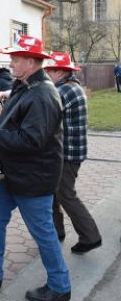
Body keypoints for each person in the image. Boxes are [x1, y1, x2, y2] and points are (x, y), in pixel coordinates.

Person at [0, 35, 71, 301]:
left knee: (43, 231)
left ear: (32, 62)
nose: (10, 63)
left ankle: (60, 287)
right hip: (14, 172)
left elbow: (32, 140)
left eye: (16, 58)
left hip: (33, 177)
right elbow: (16, 122)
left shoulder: (43, 94)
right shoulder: (25, 86)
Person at [44, 51, 102, 254]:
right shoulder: (69, 87)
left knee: (65, 194)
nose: (46, 74)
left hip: (68, 154)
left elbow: (44, 110)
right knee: (52, 193)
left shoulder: (65, 90)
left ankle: (90, 237)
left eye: (49, 70)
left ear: (60, 71)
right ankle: (56, 231)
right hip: (66, 152)